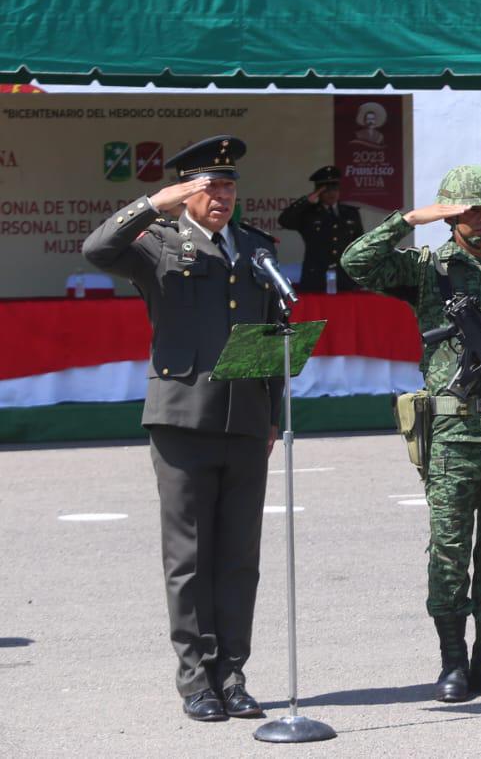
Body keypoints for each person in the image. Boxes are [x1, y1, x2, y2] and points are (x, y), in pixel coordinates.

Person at [340, 165, 481, 701]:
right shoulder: (427, 270)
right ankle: (451, 661)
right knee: (448, 548)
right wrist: (408, 219)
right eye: (472, 210)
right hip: (452, 435)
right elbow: (356, 263)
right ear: (451, 216)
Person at [82, 135, 281, 722]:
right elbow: (96, 248)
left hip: (245, 420)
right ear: (187, 190)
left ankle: (233, 673)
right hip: (181, 418)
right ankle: (197, 680)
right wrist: (153, 203)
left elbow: (270, 334)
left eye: (228, 186)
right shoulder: (158, 244)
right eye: (209, 186)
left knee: (240, 557)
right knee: (189, 557)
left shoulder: (255, 247)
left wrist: (273, 416)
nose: (221, 196)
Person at [277, 166, 364, 292]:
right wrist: (306, 201)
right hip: (316, 278)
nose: (331, 193)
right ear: (318, 192)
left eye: (335, 189)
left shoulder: (350, 213)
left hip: (345, 278)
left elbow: (359, 244)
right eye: (326, 190)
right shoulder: (308, 213)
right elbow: (284, 220)